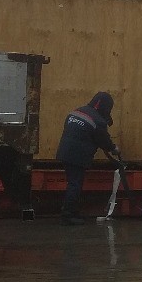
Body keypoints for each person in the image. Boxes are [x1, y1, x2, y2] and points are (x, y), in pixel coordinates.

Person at [56, 92, 118, 225]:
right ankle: (68, 216)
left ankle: (73, 212)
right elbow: (104, 140)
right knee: (75, 184)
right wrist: (114, 149)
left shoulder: (76, 112)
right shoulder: (98, 121)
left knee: (73, 183)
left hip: (64, 152)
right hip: (77, 156)